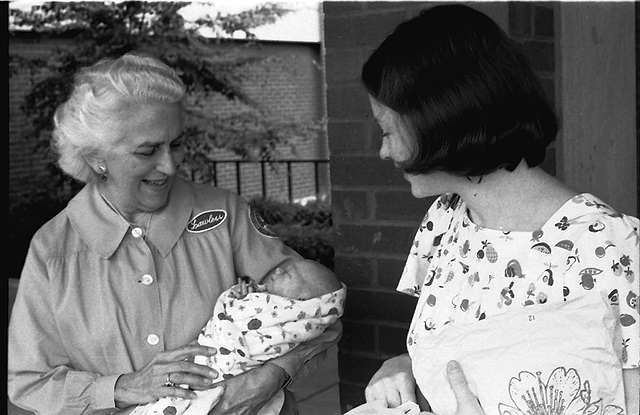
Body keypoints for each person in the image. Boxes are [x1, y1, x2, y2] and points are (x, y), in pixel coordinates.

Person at [7, 52, 342, 415]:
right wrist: (122, 388)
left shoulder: (225, 214)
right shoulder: (52, 249)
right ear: (95, 157)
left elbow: (319, 310)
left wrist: (273, 376)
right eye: (147, 150)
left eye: (176, 144)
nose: (169, 165)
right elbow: (29, 381)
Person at [357, 4, 639, 415]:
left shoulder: (614, 248)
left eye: (387, 131)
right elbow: (461, 354)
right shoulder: (446, 219)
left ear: (441, 118)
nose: (383, 151)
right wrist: (404, 366)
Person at [131, 258, 346, 415]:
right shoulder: (263, 299)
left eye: (288, 274)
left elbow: (326, 323)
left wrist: (274, 372)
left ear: (301, 300)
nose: (278, 270)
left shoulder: (293, 317)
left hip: (222, 375)